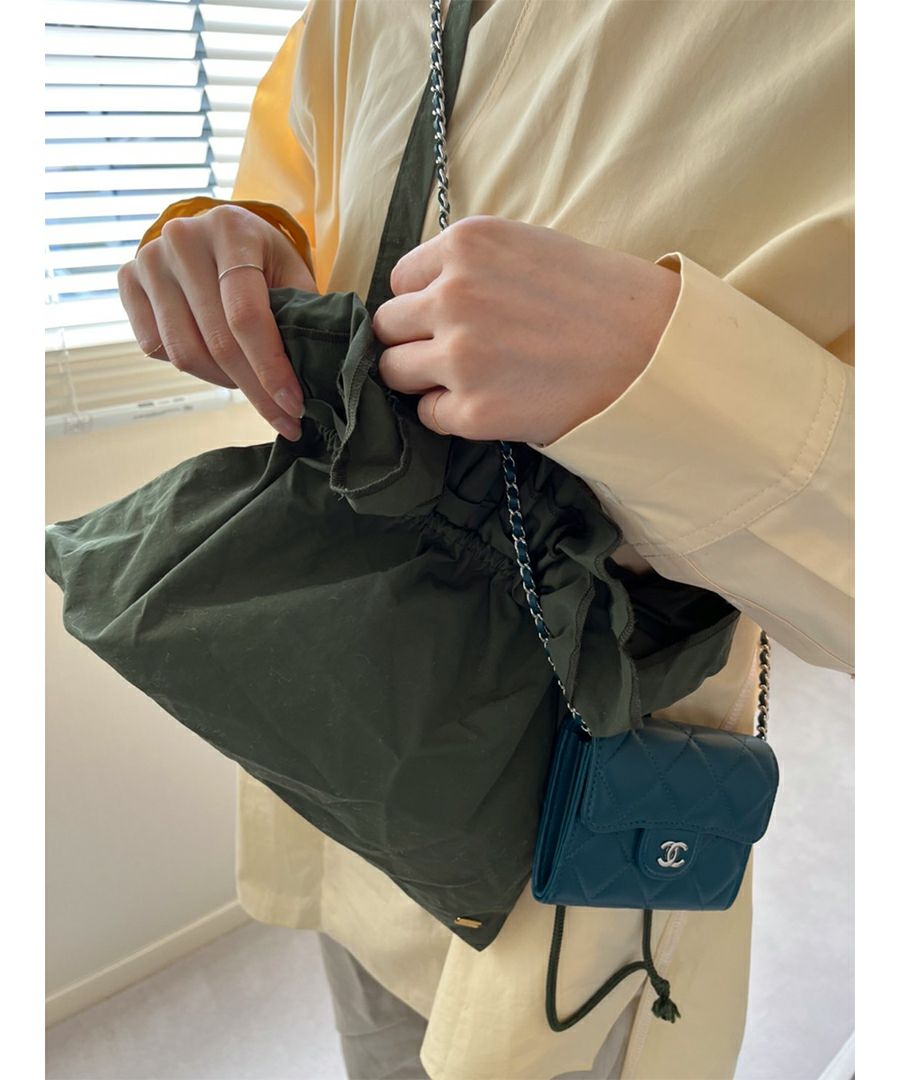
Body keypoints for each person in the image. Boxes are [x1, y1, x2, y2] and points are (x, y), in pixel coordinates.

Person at [120, 1, 854, 1076]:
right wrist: (230, 246)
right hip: (334, 752)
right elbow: (298, 198)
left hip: (568, 842)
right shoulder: (350, 13)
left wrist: (666, 369)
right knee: (373, 1036)